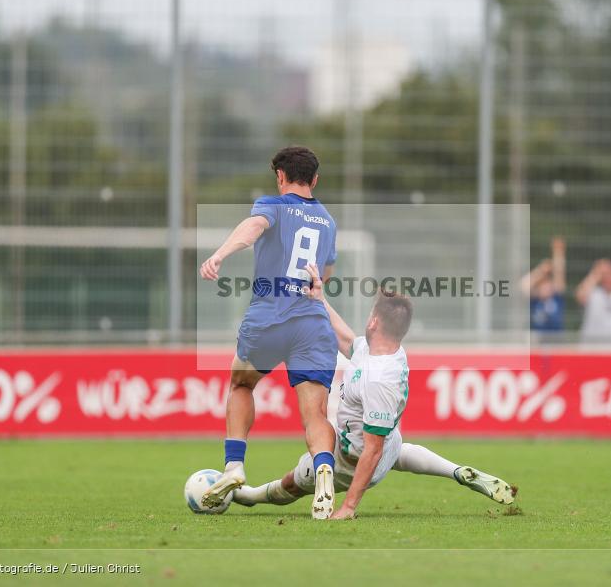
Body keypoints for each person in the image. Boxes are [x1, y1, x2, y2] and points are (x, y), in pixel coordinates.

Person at [231, 262, 517, 519]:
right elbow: (345, 339)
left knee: (293, 483)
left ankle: (248, 496)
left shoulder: (379, 378)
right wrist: (320, 299)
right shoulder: (385, 349)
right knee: (397, 449)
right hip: (390, 441)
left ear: (374, 322)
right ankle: (455, 471)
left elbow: (372, 451)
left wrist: (348, 507)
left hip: (352, 461)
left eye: (370, 313)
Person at [198, 146, 339, 519]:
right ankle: (324, 469)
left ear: (280, 177)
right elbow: (323, 278)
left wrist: (221, 254)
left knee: (241, 384)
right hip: (312, 322)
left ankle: (234, 467)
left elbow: (252, 228)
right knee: (315, 413)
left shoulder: (271, 206)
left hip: (269, 318)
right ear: (315, 179)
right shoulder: (327, 221)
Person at [521, 237, 566, 333]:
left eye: (548, 285)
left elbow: (559, 274)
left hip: (556, 342)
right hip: (538, 343)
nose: (546, 289)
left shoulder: (556, 298)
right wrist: (541, 270)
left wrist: (558, 252)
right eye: (543, 286)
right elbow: (524, 285)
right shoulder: (535, 301)